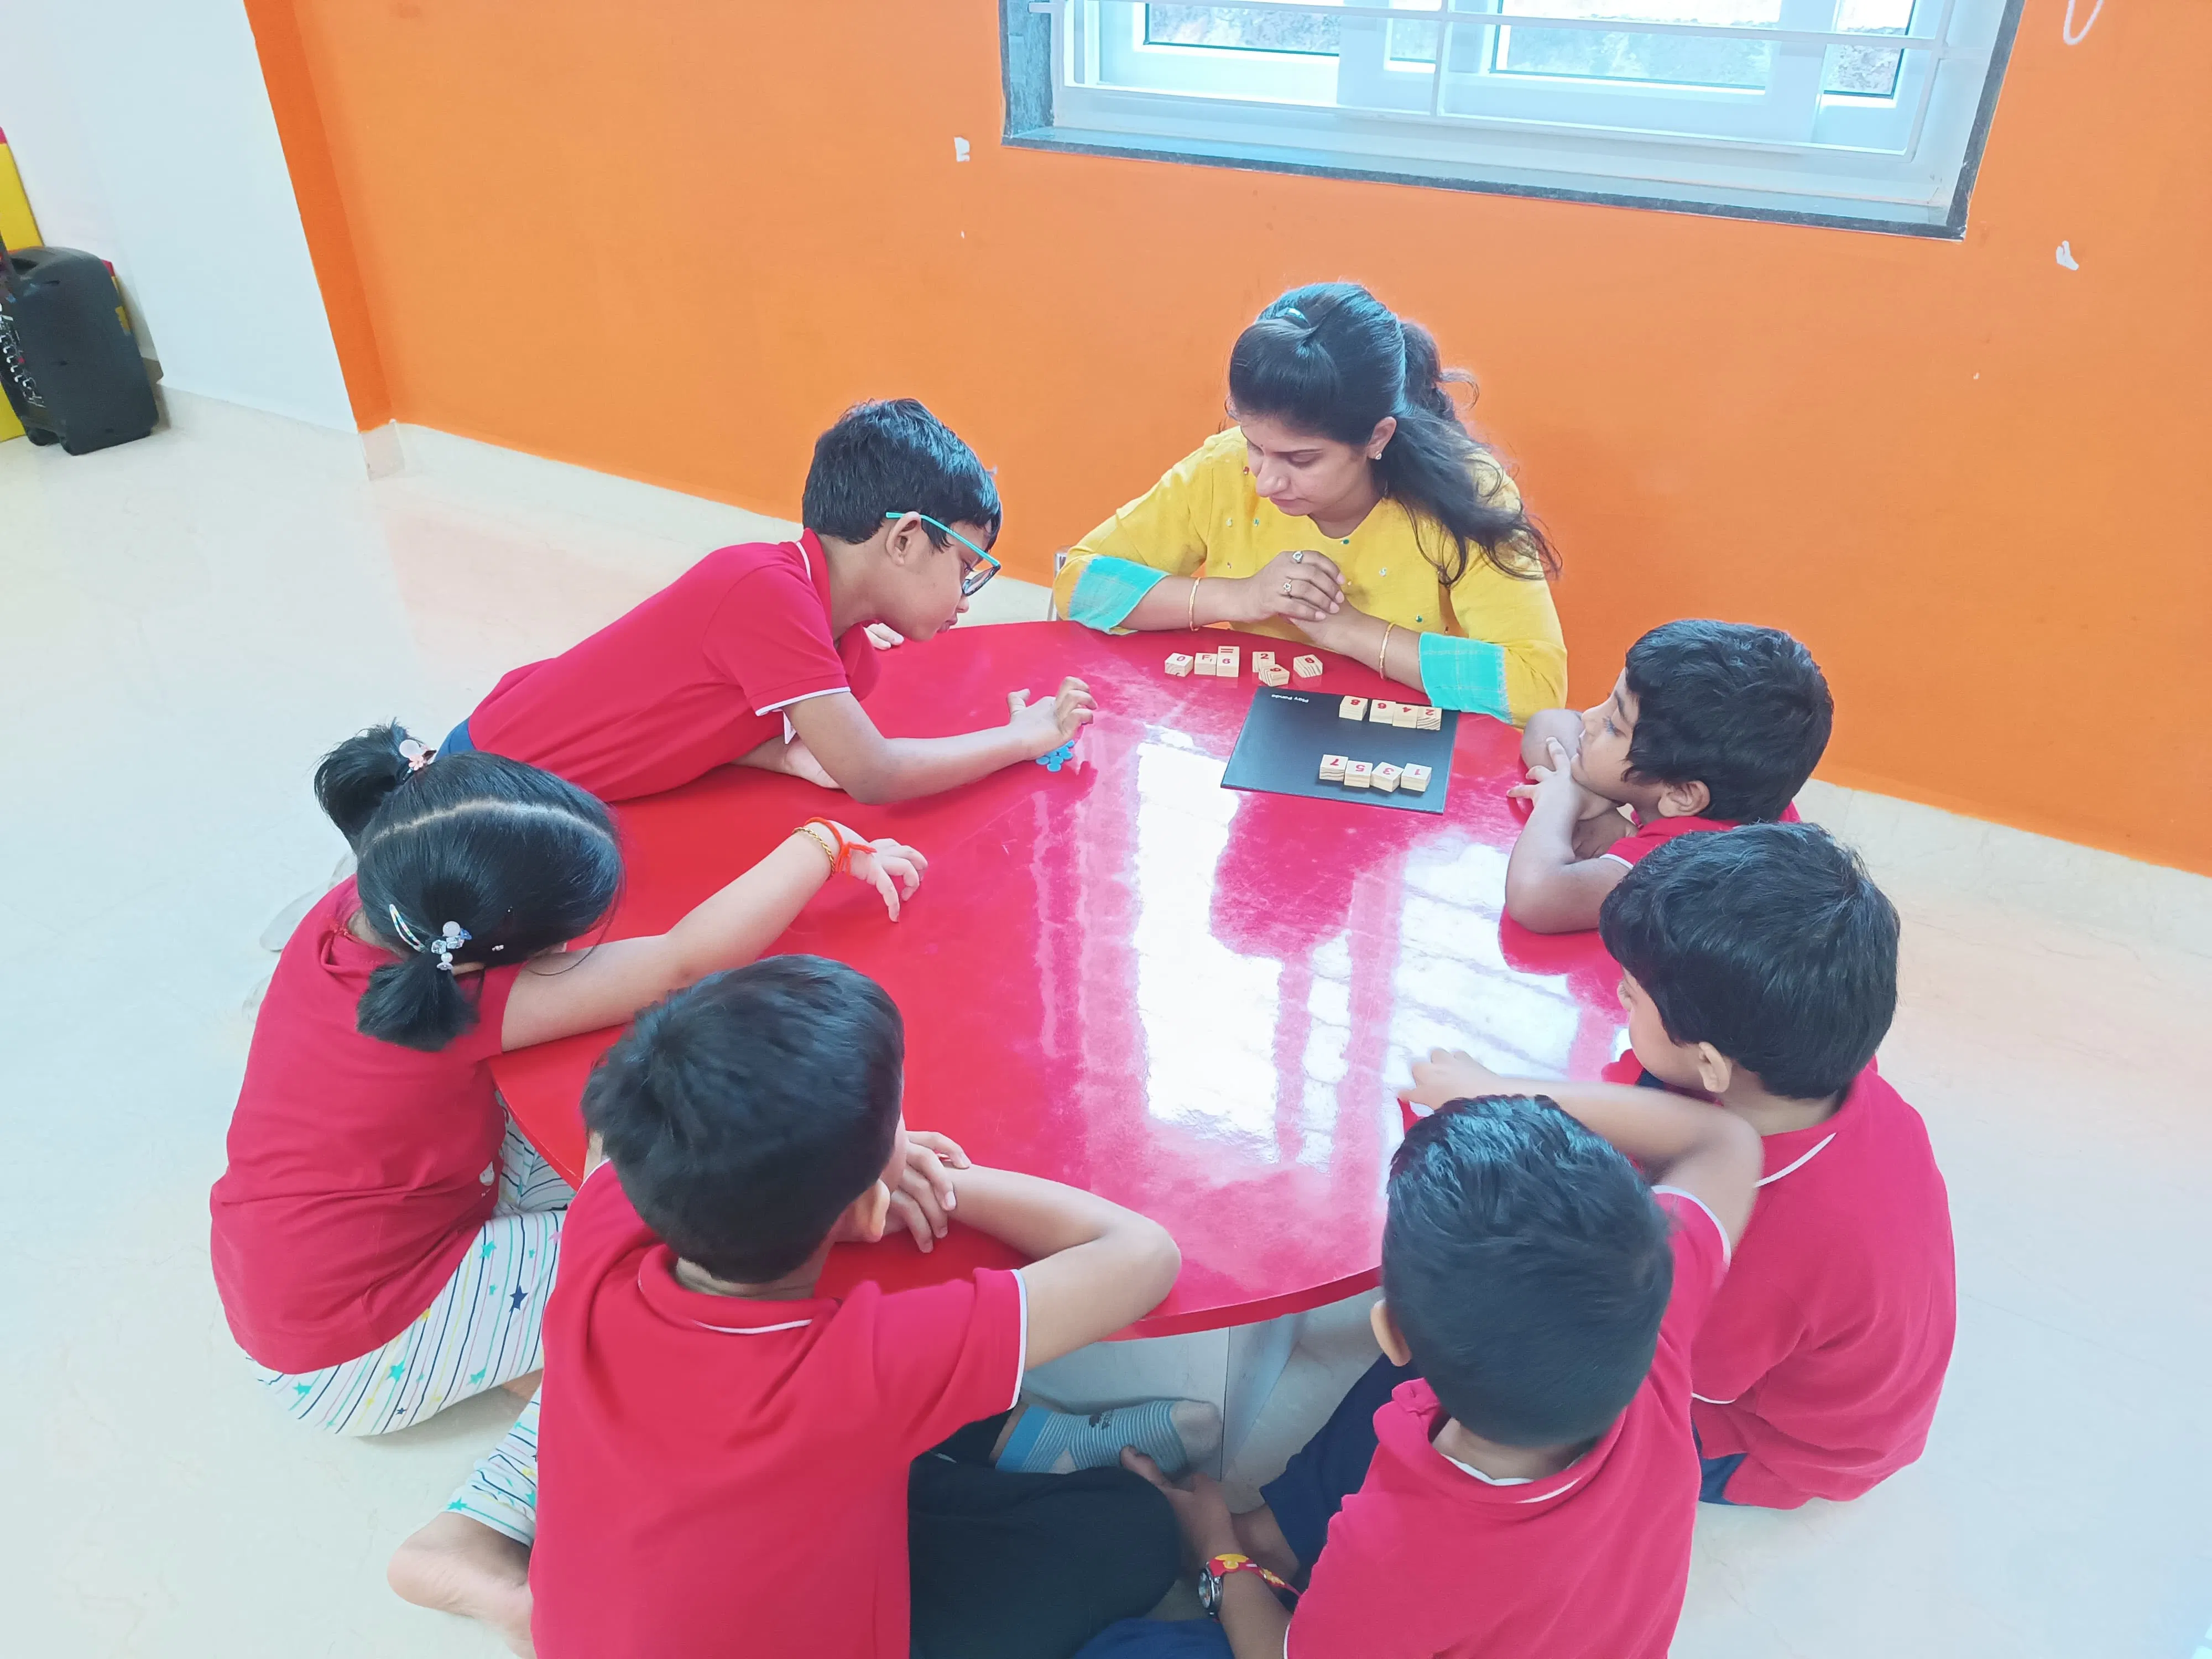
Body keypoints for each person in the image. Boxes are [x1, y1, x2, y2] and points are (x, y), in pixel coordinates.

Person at [206, 724, 925, 1648]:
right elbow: (682, 964)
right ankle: (471, 1533)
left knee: (627, 1170)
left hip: (304, 1260)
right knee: (682, 1273)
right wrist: (824, 844)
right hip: (350, 1338)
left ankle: (521, 1364)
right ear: (486, 953)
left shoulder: (376, 901)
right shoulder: (461, 1001)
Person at [529, 957, 1196, 1659]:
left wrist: (859, 1177)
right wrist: (937, 1185)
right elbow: (1144, 1256)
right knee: (1138, 1528)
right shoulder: (867, 1364)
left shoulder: (598, 1241)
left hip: (598, 1626)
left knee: (867, 1464)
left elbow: (606, 1138)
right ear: (866, 1199)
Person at [1081, 1079, 1762, 1659]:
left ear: (1390, 1332)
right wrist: (1500, 1097)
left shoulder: (1393, 1551)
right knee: (1455, 1354)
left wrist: (1219, 1553)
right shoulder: (1658, 1332)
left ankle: (1251, 1548)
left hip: (1387, 1605)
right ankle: (1273, 1538)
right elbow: (1726, 1142)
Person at [445, 398, 1095, 803]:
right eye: (965, 568)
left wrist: (782, 757)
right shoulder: (766, 592)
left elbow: (676, 707)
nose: (965, 597)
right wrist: (1021, 737)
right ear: (903, 539)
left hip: (536, 780)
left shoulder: (837, 631)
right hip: (482, 787)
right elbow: (878, 776)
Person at [1595, 822, 1956, 1507]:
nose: (1618, 998)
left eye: (1631, 995)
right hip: (1804, 1344)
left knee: (1545, 1410)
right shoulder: (1823, 1072)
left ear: (1708, 1065)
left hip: (1778, 1448)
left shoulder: (1765, 1241)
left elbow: (1659, 1365)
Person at [1051, 282, 1566, 726]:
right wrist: (1239, 598)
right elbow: (1079, 583)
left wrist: (1350, 630)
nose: (1268, 480)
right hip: (1256, 731)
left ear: (1376, 437)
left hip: (1401, 753)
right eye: (1255, 444)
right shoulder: (1226, 468)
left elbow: (1536, 687)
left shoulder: (1468, 489)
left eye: (1302, 459)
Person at [1504, 618, 1830, 933]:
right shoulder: (1741, 792)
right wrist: (1599, 813)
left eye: (1613, 727)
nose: (1588, 718)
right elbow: (1547, 724)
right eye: (1608, 703)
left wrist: (1561, 800)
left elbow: (1535, 896)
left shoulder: (1688, 863)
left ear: (1682, 795)